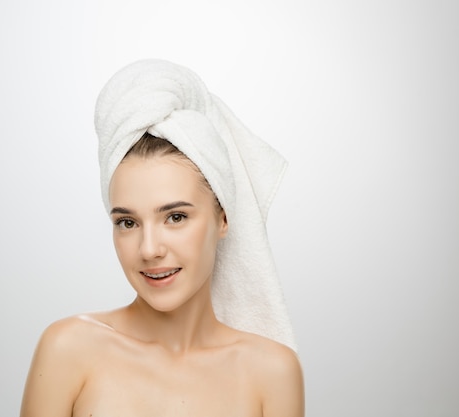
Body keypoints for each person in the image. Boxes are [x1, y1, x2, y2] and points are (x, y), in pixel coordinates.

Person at [20, 60, 304, 417]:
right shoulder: (68, 349)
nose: (149, 249)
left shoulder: (273, 372)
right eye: (127, 222)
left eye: (176, 217)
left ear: (224, 218)